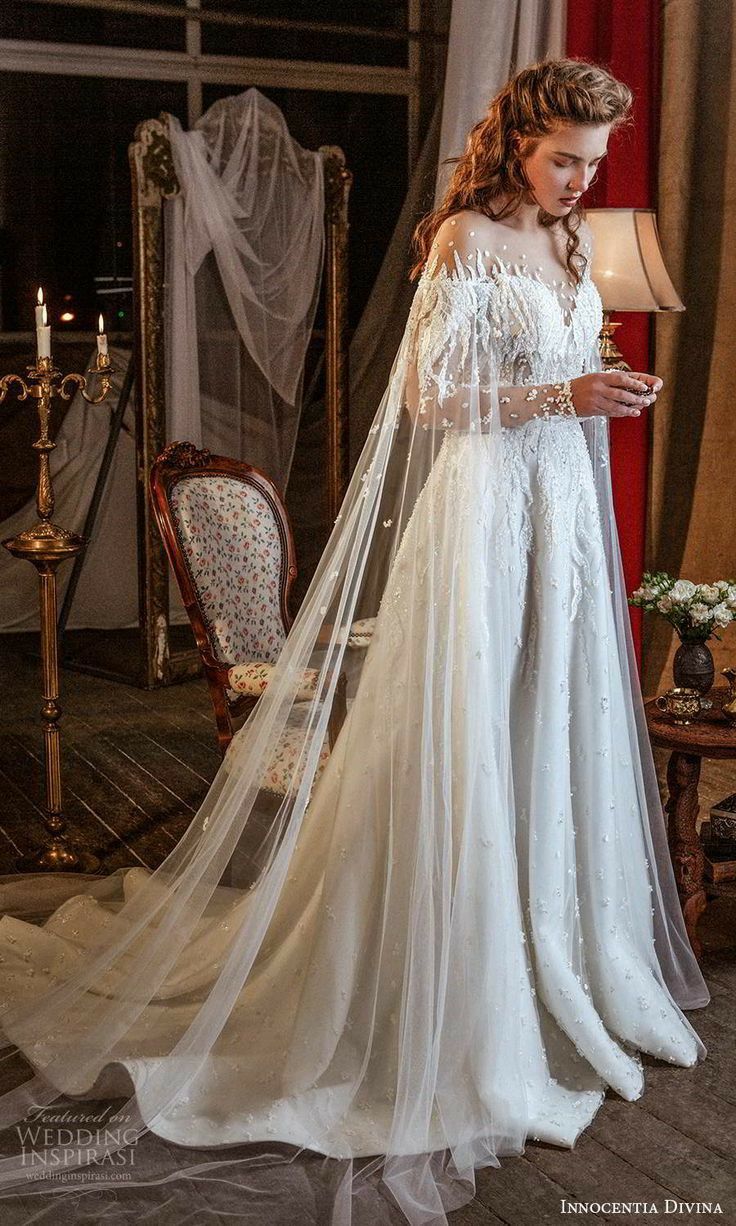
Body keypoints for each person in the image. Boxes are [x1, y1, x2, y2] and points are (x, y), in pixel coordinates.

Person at [0, 58, 709, 1226]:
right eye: (564, 159)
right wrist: (562, 397)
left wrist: (599, 388)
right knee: (473, 727)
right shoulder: (462, 240)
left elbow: (545, 367)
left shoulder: (574, 246)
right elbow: (433, 399)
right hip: (482, 515)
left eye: (594, 163)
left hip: (562, 520)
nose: (582, 182)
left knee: (550, 720)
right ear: (517, 141)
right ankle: (446, 980)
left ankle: (549, 968)